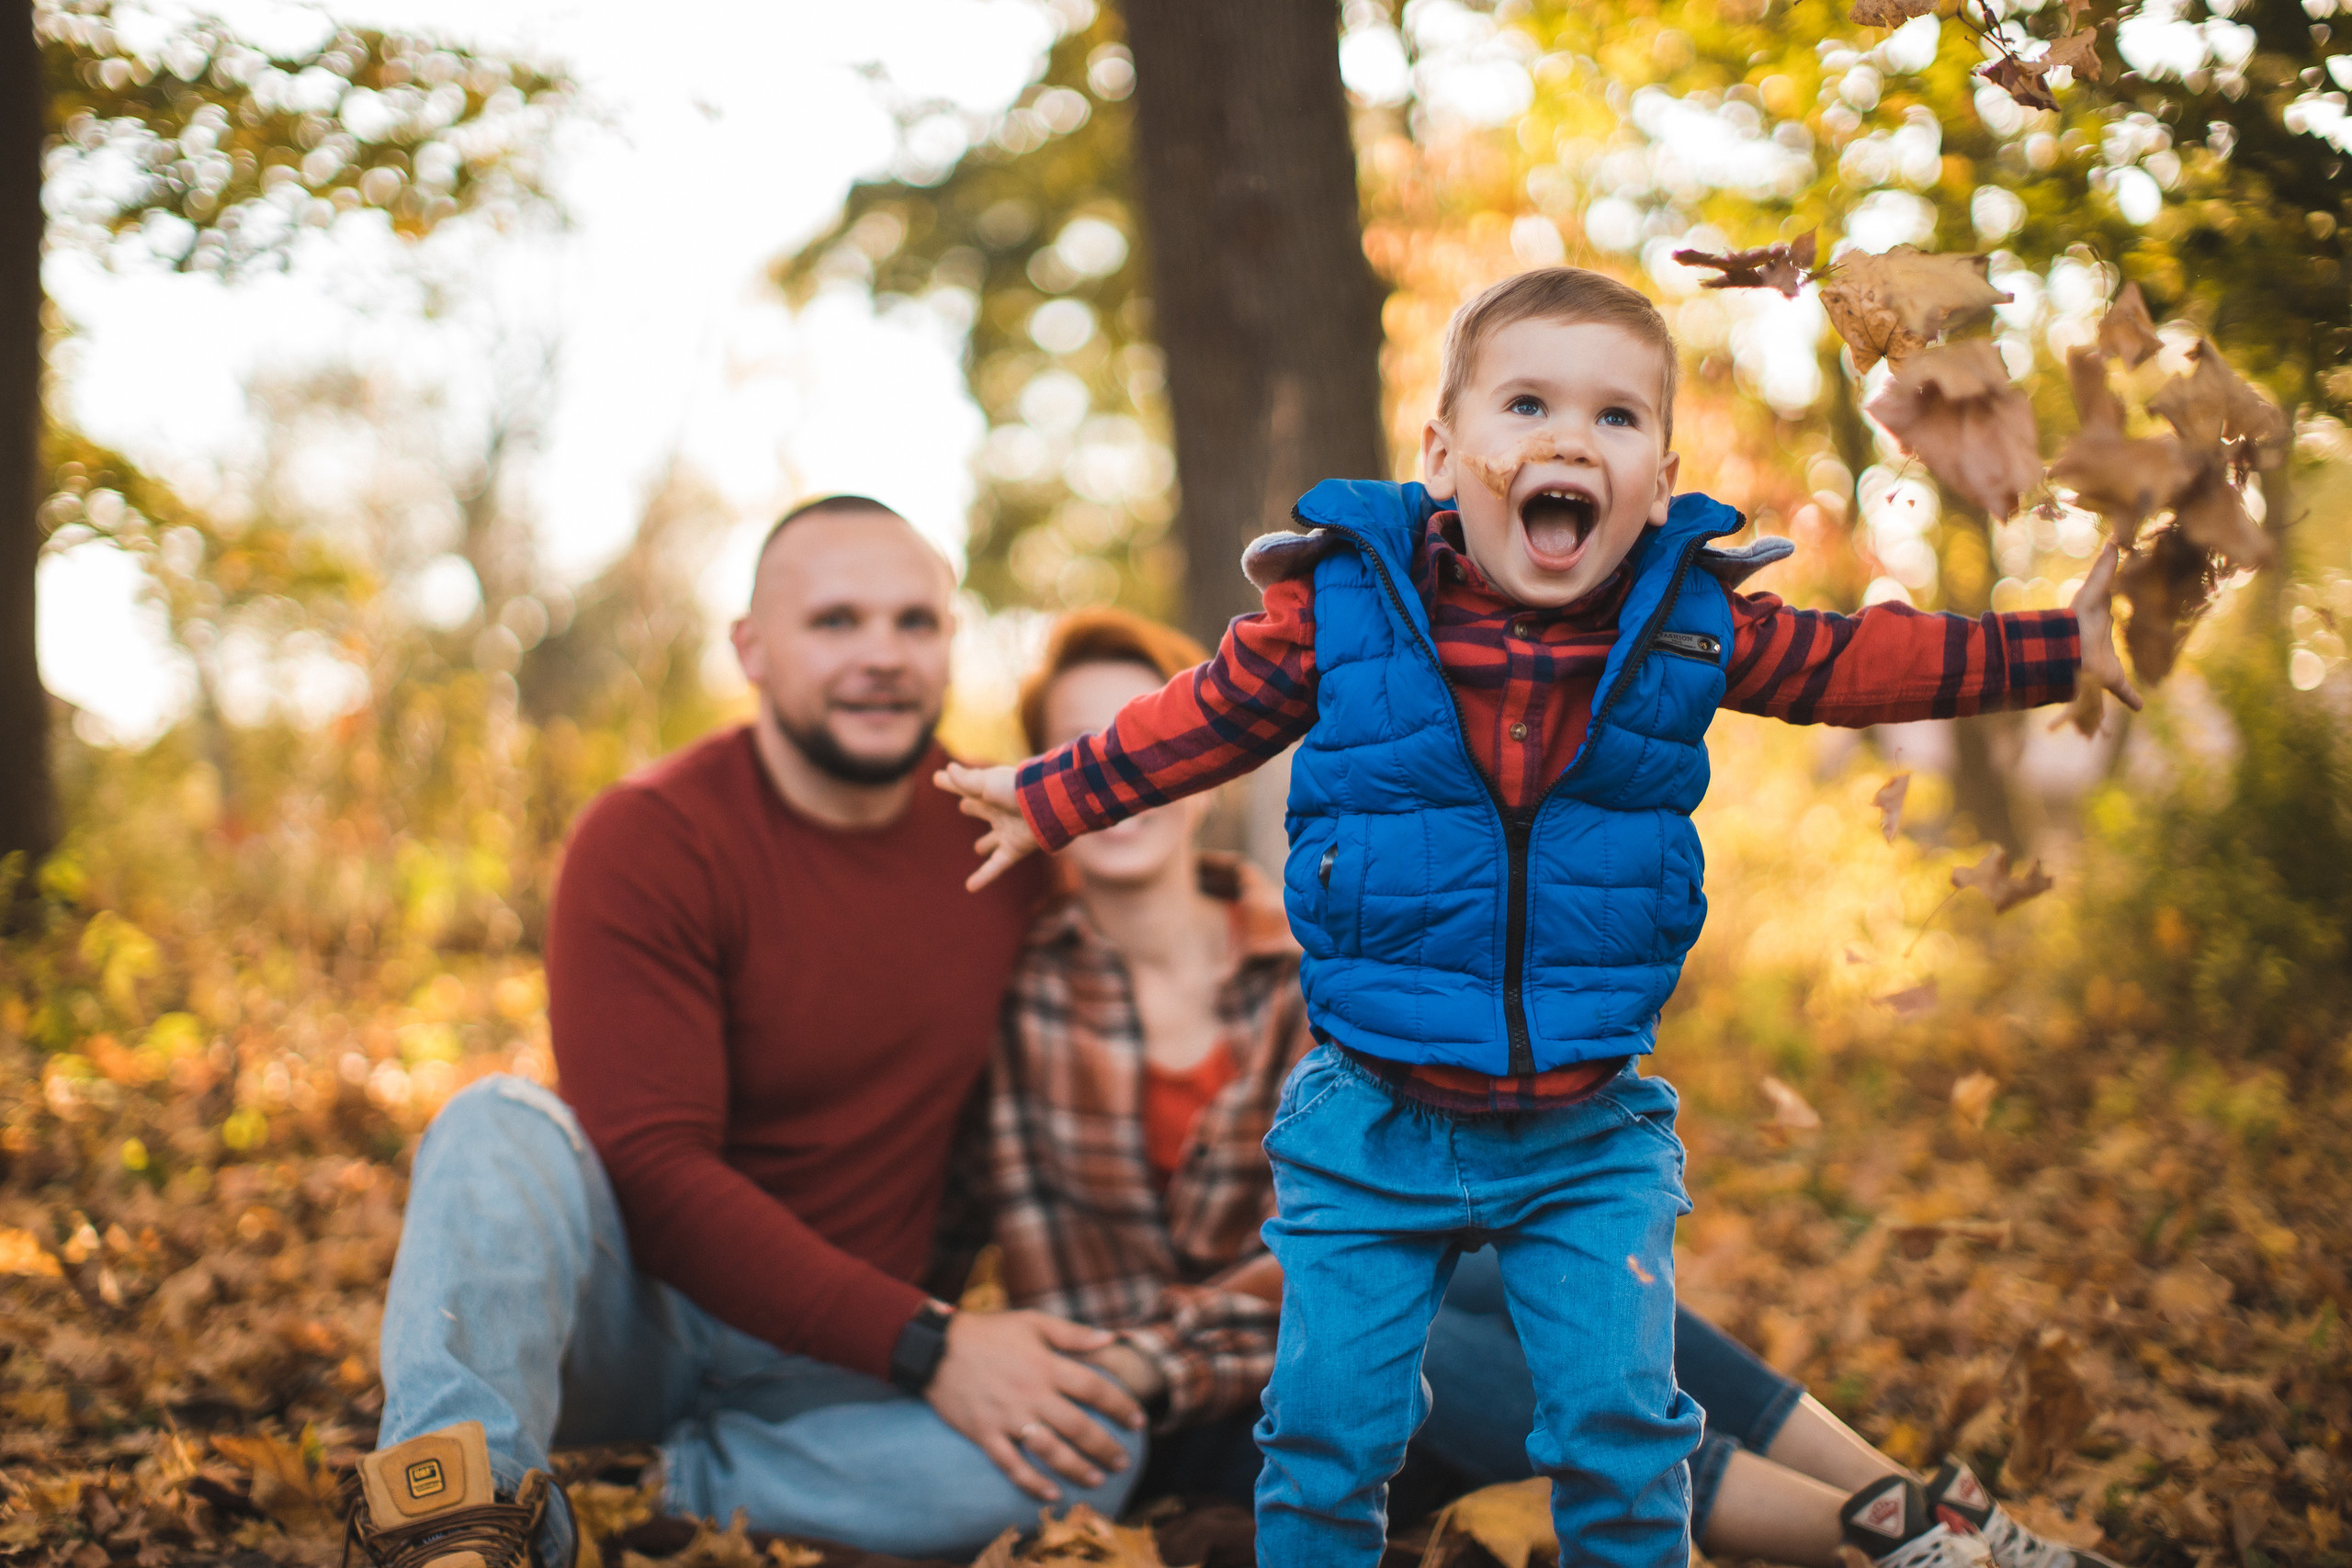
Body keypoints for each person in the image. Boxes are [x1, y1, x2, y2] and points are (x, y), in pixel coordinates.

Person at [940, 267, 2139, 1568]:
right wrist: (1052, 794)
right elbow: (1204, 714)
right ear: (1444, 454)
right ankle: (1890, 1521)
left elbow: (1860, 664)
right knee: (1330, 1435)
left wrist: (2058, 648)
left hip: (1584, 1120)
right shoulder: (1348, 606)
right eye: (1527, 403)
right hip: (1372, 1117)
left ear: (1660, 479)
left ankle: (1892, 1521)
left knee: (1623, 1432)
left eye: (1616, 418)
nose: (1571, 438)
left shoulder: (1689, 621)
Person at [989, 605, 2122, 1568]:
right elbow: (1084, 1307)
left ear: (1193, 764)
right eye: (1078, 742)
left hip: (1392, 1311)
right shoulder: (1035, 1003)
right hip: (1202, 1398)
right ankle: (1867, 1531)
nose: (1119, 770)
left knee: (1522, 1268)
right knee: (1405, 1312)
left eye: (1132, 731)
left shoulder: (1325, 950)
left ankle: (1920, 1506)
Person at [345, 497, 1153, 1568]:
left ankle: (658, 1486)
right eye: (835, 623)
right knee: (494, 1122)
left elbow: (1155, 932)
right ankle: (453, 1526)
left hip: (842, 1366)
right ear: (752, 649)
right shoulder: (652, 838)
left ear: (952, 643)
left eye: (915, 623)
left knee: (1095, 1450)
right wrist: (934, 1344)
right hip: (633, 1319)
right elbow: (652, 1165)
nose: (882, 656)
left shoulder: (1003, 852)